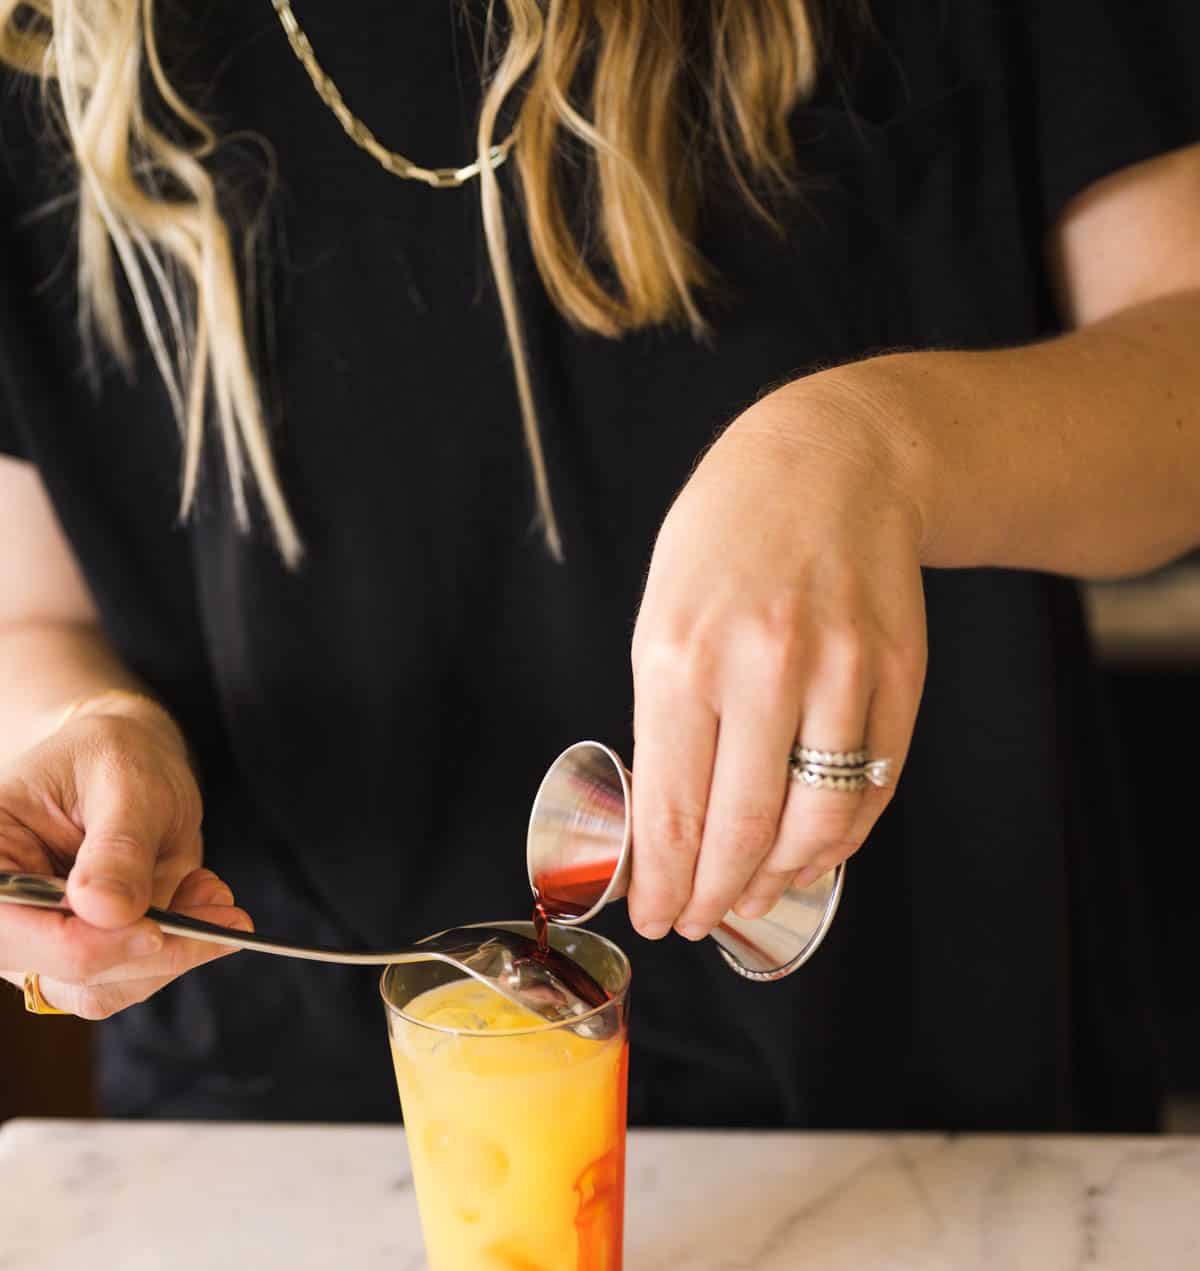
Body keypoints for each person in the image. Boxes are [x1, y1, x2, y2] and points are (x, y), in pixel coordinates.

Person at [1, 0, 1198, 1131]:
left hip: (928, 1092)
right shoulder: (41, 42)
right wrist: (86, 723)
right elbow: (29, 614)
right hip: (287, 1131)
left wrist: (879, 448)